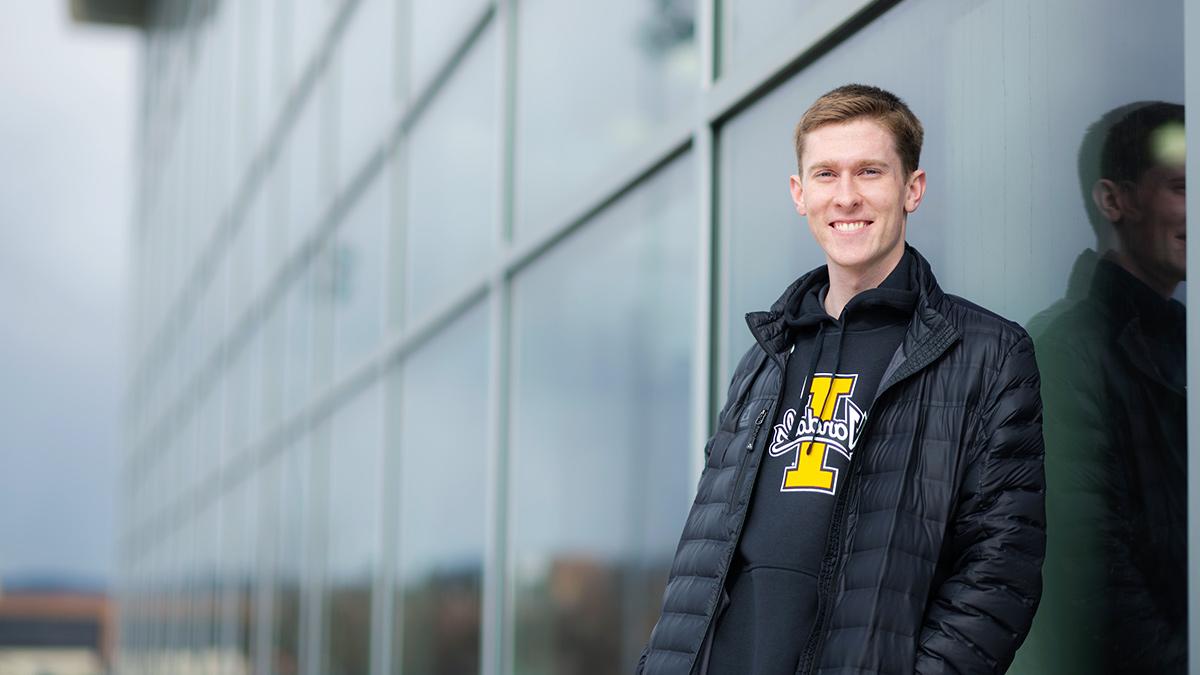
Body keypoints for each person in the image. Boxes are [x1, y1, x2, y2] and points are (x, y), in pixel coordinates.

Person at [636, 84, 1045, 675]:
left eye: (870, 171)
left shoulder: (988, 353)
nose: (846, 197)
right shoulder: (765, 356)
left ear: (912, 189)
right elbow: (704, 558)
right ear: (800, 195)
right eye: (825, 174)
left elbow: (1000, 570)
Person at [1027, 102, 1186, 674]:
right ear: (1115, 201)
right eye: (1180, 186)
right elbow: (1091, 574)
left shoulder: (1186, 347)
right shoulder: (1061, 350)